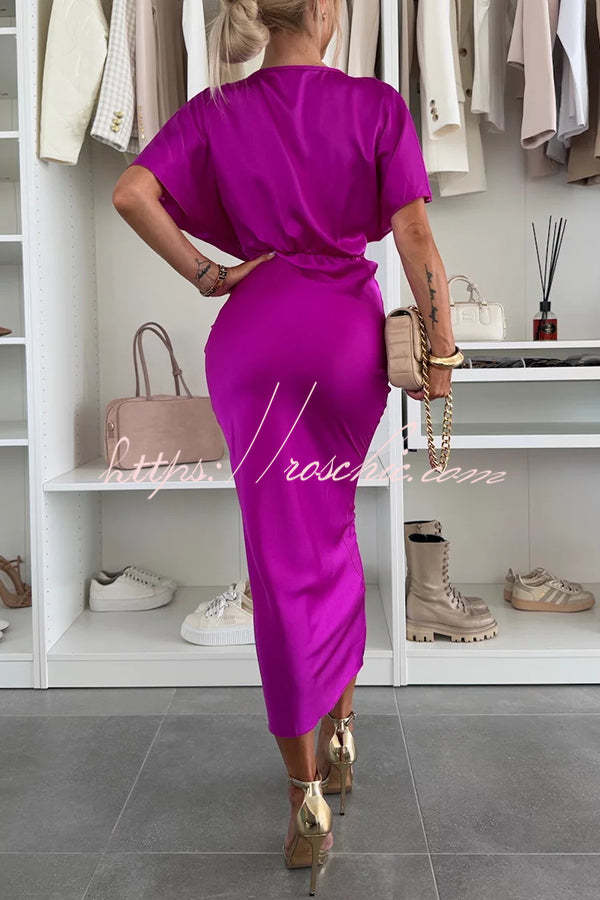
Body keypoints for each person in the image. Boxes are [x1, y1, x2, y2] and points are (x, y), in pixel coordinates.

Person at [113, 0, 458, 894]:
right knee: (330, 533)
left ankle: (305, 797)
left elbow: (131, 193)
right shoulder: (374, 104)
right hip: (345, 345)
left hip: (255, 342)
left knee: (278, 560)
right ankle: (340, 738)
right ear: (324, 10)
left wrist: (211, 275)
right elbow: (416, 236)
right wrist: (443, 353)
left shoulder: (216, 110)